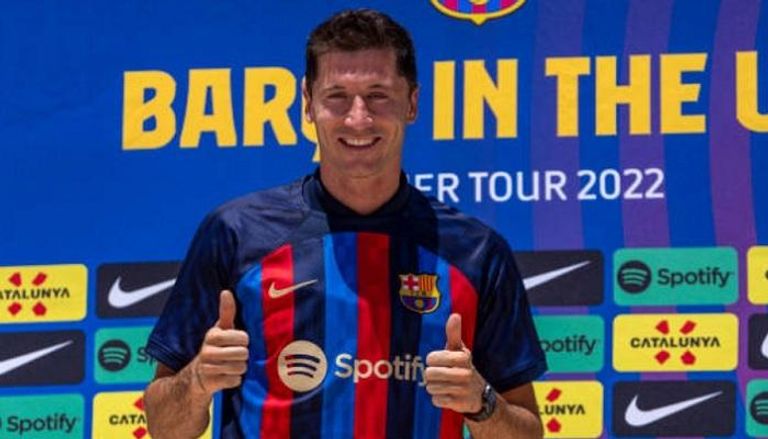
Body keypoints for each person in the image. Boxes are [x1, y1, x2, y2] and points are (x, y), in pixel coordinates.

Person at [144, 8, 547, 438]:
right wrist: (199, 380)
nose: (358, 118)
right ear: (307, 102)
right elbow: (165, 427)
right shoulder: (235, 233)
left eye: (378, 95)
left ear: (412, 103)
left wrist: (481, 403)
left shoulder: (476, 252)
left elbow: (526, 432)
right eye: (337, 96)